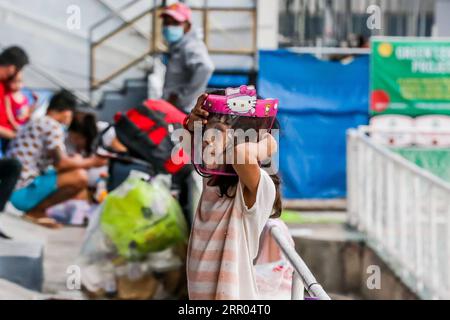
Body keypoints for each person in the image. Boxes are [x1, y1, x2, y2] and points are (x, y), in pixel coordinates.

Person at [184, 89, 287, 299]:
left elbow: (241, 155)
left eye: (218, 132)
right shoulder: (211, 180)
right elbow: (190, 145)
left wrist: (268, 144)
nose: (206, 139)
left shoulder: (254, 191)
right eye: (208, 131)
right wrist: (192, 123)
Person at [7, 90, 107, 227]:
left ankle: (37, 211)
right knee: (80, 176)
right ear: (67, 112)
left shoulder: (37, 121)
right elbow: (61, 163)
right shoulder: (52, 125)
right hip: (19, 194)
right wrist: (92, 162)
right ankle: (36, 212)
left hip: (10, 189)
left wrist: (76, 160)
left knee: (74, 171)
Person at [160, 2, 214, 113]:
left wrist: (182, 99)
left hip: (185, 111)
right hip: (176, 109)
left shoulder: (191, 46)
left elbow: (206, 68)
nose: (169, 27)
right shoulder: (178, 46)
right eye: (166, 23)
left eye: (175, 23)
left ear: (188, 25)